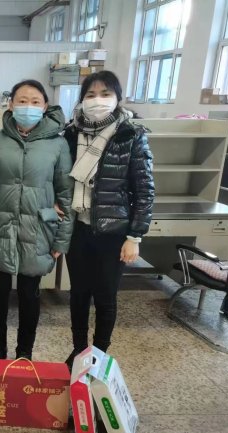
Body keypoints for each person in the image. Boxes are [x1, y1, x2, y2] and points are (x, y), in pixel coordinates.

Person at [0, 80, 74, 360]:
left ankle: (24, 353)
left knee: (29, 294)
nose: (28, 106)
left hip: (37, 228)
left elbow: (65, 193)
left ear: (45, 106)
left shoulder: (58, 144)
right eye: (21, 101)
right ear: (11, 105)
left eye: (34, 101)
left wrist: (62, 239)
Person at [63, 70, 155, 368]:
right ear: (82, 100)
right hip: (78, 228)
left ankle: (99, 354)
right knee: (78, 294)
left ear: (117, 98)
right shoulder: (70, 133)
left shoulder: (130, 135)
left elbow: (145, 190)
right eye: (90, 95)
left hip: (113, 231)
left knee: (105, 296)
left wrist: (134, 237)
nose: (97, 100)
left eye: (105, 94)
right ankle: (79, 350)